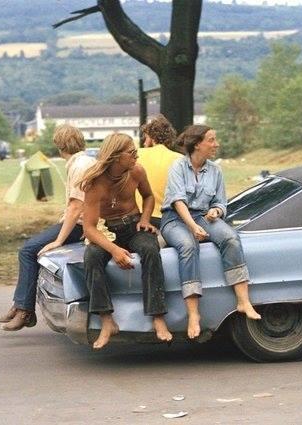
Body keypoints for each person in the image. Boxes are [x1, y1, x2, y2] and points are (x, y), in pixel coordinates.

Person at [160, 125, 261, 340]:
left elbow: (221, 202)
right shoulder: (177, 167)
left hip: (203, 216)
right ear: (197, 144)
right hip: (175, 219)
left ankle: (243, 301)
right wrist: (192, 226)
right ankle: (193, 313)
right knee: (188, 246)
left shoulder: (215, 170)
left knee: (231, 238)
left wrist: (216, 210)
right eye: (212, 140)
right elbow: (178, 201)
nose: (216, 144)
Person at [0, 124, 95, 331]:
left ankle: (25, 311)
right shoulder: (84, 161)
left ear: (60, 146)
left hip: (81, 224)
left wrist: (58, 240)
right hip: (80, 221)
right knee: (31, 248)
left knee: (28, 250)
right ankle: (20, 305)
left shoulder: (79, 166)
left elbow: (76, 208)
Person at [80, 133, 171, 350]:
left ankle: (157, 316)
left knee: (150, 249)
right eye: (131, 153)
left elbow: (148, 196)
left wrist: (146, 219)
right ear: (116, 156)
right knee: (91, 256)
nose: (136, 156)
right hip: (108, 231)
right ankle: (106, 320)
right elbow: (89, 228)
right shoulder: (94, 183)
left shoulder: (136, 171)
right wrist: (114, 250)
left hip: (134, 226)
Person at [135, 115, 182, 228]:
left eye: (146, 138)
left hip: (139, 216)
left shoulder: (136, 155)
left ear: (151, 138)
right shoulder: (180, 159)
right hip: (168, 219)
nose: (145, 143)